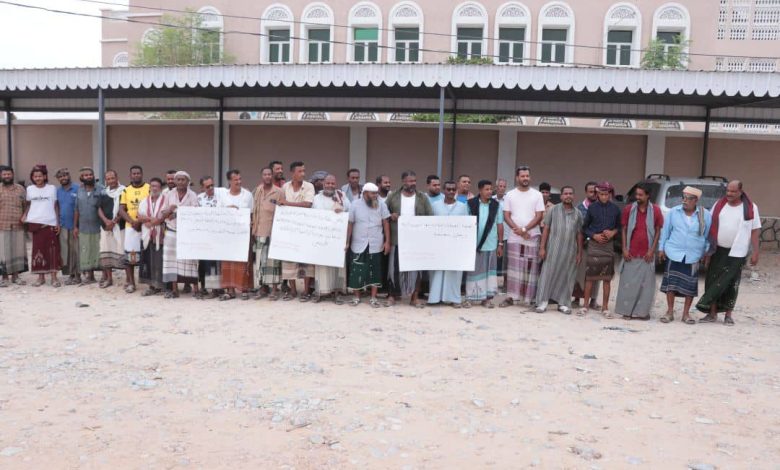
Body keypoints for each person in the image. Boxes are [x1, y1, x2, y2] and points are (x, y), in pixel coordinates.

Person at [696, 180, 761, 326]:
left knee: (731, 283)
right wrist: (706, 250)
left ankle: (728, 315)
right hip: (717, 250)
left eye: (733, 191)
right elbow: (710, 226)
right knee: (712, 281)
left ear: (740, 192)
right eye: (728, 190)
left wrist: (756, 252)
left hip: (737, 253)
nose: (729, 194)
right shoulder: (719, 204)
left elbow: (755, 230)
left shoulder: (751, 207)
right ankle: (712, 314)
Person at [658, 186, 711, 325]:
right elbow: (666, 232)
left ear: (696, 200)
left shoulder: (704, 215)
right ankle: (669, 312)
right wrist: (661, 248)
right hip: (674, 251)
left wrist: (705, 251)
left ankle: (686, 314)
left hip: (693, 254)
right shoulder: (673, 212)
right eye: (683, 197)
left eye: (688, 198)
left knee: (690, 285)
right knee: (671, 284)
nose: (685, 201)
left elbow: (707, 236)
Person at [615, 183, 664, 320]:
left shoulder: (656, 210)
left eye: (640, 195)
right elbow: (624, 229)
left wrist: (652, 250)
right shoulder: (629, 209)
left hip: (647, 255)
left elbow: (658, 231)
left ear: (648, 196)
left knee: (646, 286)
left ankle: (641, 313)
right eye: (636, 194)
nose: (637, 197)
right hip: (631, 253)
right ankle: (627, 312)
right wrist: (624, 249)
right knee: (628, 284)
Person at [385, 170, 433, 307]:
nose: (413, 183)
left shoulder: (422, 197)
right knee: (394, 268)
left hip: (416, 240)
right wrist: (391, 216)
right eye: (410, 181)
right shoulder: (393, 196)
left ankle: (414, 297)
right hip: (396, 238)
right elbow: (383, 213)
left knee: (416, 269)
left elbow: (430, 216)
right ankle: (392, 295)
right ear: (403, 181)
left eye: (414, 181)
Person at [535, 186, 583, 314]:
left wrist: (579, 253)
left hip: (570, 251)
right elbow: (546, 229)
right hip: (553, 249)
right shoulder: (553, 210)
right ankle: (542, 302)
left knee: (567, 276)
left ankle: (563, 303)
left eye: (570, 193)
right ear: (561, 196)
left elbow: (579, 234)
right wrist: (542, 248)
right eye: (565, 193)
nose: (568, 196)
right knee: (547, 274)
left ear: (573, 196)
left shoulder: (578, 213)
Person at [501, 166, 544, 308]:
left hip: (532, 236)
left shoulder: (537, 195)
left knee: (530, 268)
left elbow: (539, 216)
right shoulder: (510, 194)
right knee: (514, 268)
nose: (525, 178)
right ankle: (511, 297)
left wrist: (525, 229)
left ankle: (529, 298)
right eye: (522, 176)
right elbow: (506, 215)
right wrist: (519, 230)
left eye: (527, 176)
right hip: (515, 237)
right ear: (517, 178)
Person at [578, 182, 621, 318]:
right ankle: (585, 306)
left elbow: (620, 227)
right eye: (601, 194)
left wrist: (613, 232)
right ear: (597, 195)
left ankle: (605, 307)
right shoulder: (592, 208)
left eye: (606, 194)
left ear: (610, 194)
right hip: (594, 245)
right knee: (590, 277)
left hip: (608, 246)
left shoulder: (615, 209)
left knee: (607, 278)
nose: (604, 197)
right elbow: (585, 228)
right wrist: (594, 235)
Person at [347, 182, 390, 307]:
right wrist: (347, 242)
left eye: (376, 193)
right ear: (365, 193)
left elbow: (386, 222)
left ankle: (373, 298)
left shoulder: (381, 204)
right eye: (373, 193)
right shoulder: (355, 205)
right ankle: (356, 297)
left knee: (375, 270)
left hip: (376, 243)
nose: (375, 195)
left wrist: (387, 241)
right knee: (356, 270)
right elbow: (350, 223)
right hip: (358, 243)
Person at [159, 171, 199, 299]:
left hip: (187, 233)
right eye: (179, 179)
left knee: (190, 261)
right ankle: (174, 289)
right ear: (175, 181)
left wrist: (177, 213)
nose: (181, 182)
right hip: (171, 230)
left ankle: (196, 290)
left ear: (188, 182)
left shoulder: (193, 195)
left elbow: (195, 213)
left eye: (183, 180)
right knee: (171, 261)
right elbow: (163, 213)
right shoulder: (168, 194)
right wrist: (169, 210)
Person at [216, 169, 255, 301]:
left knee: (243, 261)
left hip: (243, 235)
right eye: (235, 180)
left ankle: (244, 289)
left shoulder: (247, 195)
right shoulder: (223, 196)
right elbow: (218, 214)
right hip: (227, 236)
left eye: (240, 179)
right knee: (228, 263)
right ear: (229, 181)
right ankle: (230, 291)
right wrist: (228, 210)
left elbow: (252, 214)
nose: (239, 182)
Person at [428, 180, 469, 307]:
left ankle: (454, 299)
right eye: (448, 189)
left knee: (454, 273)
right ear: (444, 191)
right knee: (437, 271)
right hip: (438, 245)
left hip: (456, 246)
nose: (451, 191)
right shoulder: (435, 205)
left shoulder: (462, 206)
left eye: (453, 189)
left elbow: (466, 226)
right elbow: (430, 224)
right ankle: (435, 298)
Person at [278, 161, 315, 301]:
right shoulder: (285, 187)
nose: (303, 174)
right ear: (292, 173)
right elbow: (281, 204)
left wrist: (288, 204)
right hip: (288, 229)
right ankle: (293, 290)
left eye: (304, 171)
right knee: (289, 259)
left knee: (306, 260)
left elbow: (307, 204)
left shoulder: (309, 186)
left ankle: (306, 291)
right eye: (300, 171)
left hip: (305, 229)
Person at [465, 180, 504, 308]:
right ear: (480, 190)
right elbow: (466, 223)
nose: (489, 192)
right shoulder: (470, 204)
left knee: (489, 273)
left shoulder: (496, 205)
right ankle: (470, 298)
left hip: (491, 244)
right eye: (487, 189)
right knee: (473, 272)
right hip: (474, 245)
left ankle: (487, 299)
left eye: (490, 189)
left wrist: (500, 244)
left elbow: (500, 225)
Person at [312, 174, 350, 303]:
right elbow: (312, 216)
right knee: (321, 265)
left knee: (337, 266)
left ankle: (337, 293)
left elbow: (349, 212)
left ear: (336, 184)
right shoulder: (316, 198)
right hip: (321, 238)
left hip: (337, 238)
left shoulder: (341, 196)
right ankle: (320, 292)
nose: (330, 186)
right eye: (328, 183)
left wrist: (341, 209)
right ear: (323, 184)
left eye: (332, 183)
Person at [23, 165, 61, 287]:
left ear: (44, 176)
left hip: (50, 223)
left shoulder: (52, 188)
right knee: (38, 251)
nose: (38, 178)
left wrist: (57, 222)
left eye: (40, 176)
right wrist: (25, 215)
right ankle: (41, 277)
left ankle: (54, 278)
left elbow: (55, 206)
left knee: (52, 250)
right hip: (35, 223)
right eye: (35, 176)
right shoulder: (30, 189)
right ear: (32, 178)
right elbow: (28, 204)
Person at [252, 167, 285, 300]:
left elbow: (283, 212)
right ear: (262, 176)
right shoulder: (257, 190)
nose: (267, 176)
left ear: (272, 176)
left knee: (273, 262)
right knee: (261, 262)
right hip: (259, 231)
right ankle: (263, 288)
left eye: (269, 174)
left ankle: (274, 290)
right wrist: (254, 230)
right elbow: (254, 211)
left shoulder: (279, 192)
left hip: (273, 232)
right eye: (265, 174)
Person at [118, 165, 150, 294]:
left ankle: (150, 283)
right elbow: (121, 210)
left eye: (138, 173)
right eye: (134, 173)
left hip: (146, 226)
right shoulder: (126, 190)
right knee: (130, 257)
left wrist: (140, 222)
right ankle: (131, 282)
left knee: (148, 255)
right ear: (130, 175)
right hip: (131, 227)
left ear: (142, 174)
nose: (136, 175)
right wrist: (132, 222)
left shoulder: (148, 188)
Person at [73, 167, 104, 285]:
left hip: (99, 227)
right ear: (82, 178)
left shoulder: (101, 189)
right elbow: (76, 210)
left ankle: (104, 276)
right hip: (83, 227)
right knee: (86, 251)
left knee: (100, 250)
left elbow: (105, 207)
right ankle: (90, 276)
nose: (88, 177)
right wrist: (75, 226)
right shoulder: (79, 191)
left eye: (90, 174)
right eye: (86, 175)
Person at [137, 177, 166, 296]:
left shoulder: (165, 201)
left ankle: (161, 286)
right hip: (147, 234)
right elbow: (139, 217)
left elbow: (164, 217)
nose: (154, 188)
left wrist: (154, 222)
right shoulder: (144, 201)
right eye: (152, 186)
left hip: (161, 235)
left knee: (160, 261)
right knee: (148, 260)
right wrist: (150, 219)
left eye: (156, 186)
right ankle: (151, 286)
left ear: (160, 188)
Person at [0, 165, 28, 287]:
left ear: (13, 175)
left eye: (9, 174)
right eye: (4, 174)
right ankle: (5, 278)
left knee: (17, 251)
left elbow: (26, 205)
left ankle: (16, 277)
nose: (7, 176)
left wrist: (25, 215)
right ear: (1, 176)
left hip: (18, 225)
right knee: (3, 252)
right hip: (2, 225)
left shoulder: (20, 189)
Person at [574, 181, 600, 308]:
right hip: (582, 244)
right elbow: (577, 228)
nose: (593, 194)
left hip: (597, 245)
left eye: (595, 192)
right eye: (591, 192)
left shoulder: (602, 207)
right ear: (586, 192)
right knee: (580, 272)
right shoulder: (579, 208)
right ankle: (576, 298)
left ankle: (593, 300)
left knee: (596, 272)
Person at [97, 169, 125, 288]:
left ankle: (128, 280)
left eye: (112, 178)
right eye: (108, 179)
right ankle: (109, 279)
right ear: (106, 180)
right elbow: (98, 208)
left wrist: (114, 221)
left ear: (117, 178)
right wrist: (106, 221)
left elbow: (125, 208)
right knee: (106, 252)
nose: (111, 181)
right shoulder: (103, 192)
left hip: (120, 226)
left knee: (123, 252)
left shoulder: (124, 190)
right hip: (106, 228)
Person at [196, 175, 220, 298]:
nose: (211, 188)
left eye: (212, 185)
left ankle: (215, 289)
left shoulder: (220, 197)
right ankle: (203, 287)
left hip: (217, 235)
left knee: (214, 263)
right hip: (202, 236)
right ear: (202, 188)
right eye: (207, 186)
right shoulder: (199, 199)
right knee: (203, 262)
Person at [55, 168, 80, 285]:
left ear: (69, 176)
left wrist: (77, 225)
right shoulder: (58, 191)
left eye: (65, 175)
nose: (63, 178)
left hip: (76, 225)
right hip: (63, 225)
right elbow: (57, 207)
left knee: (76, 251)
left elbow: (79, 208)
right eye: (60, 177)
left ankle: (78, 275)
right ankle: (70, 275)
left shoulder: (77, 188)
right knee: (66, 252)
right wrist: (58, 223)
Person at [494, 178, 509, 289]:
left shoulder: (509, 201)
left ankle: (505, 285)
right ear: (496, 187)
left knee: (506, 260)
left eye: (504, 186)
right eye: (500, 186)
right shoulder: (491, 199)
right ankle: (493, 284)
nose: (502, 188)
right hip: (492, 235)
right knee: (494, 260)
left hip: (507, 234)